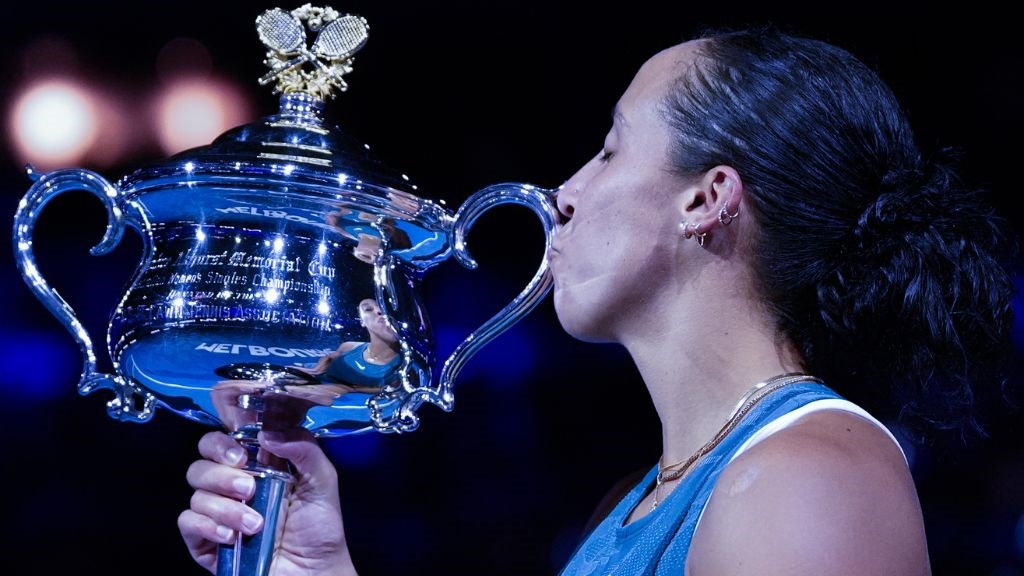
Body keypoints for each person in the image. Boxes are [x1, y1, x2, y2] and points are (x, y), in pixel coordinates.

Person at [176, 26, 1015, 575]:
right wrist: (317, 570)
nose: (563, 194)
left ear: (706, 200)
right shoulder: (638, 499)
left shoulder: (809, 478)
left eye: (610, 150)